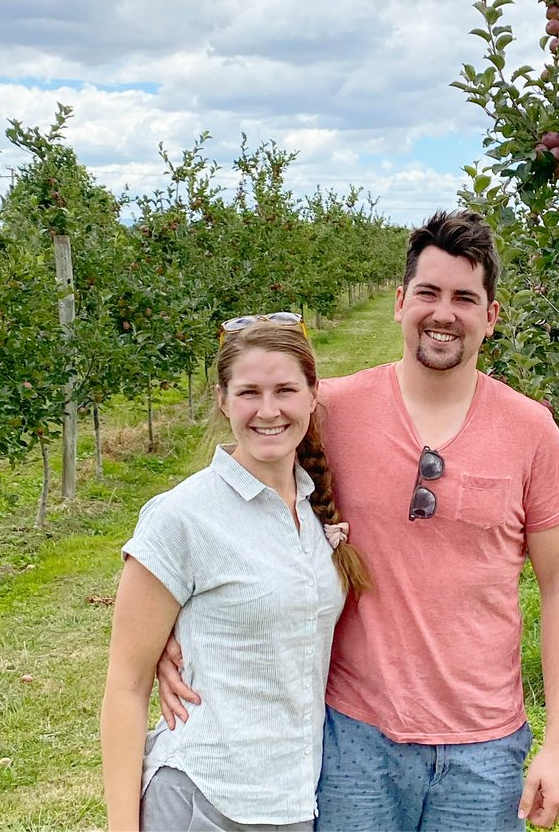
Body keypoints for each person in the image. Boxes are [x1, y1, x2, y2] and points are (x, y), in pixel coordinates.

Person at [160, 210, 559, 830]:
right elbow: (223, 502)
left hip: (485, 749)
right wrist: (162, 628)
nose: (444, 313)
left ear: (491, 317)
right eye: (429, 293)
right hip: (354, 737)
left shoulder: (529, 429)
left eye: (465, 298)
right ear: (400, 302)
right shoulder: (330, 409)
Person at [101, 318, 369, 831]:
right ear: (223, 399)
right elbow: (126, 687)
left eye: (285, 390)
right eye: (249, 392)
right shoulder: (182, 517)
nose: (268, 411)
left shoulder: (316, 509)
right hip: (205, 798)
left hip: (294, 801)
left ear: (314, 395)